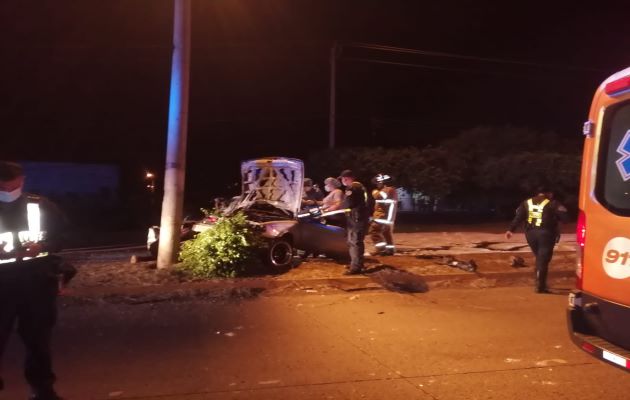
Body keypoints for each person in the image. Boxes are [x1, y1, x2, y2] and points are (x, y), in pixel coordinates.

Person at [0, 161, 69, 400]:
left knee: (39, 341)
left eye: (12, 183)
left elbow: (62, 237)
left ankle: (43, 391)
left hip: (36, 283)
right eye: (2, 185)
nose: (8, 190)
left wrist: (44, 246)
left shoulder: (41, 206)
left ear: (22, 180)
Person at [505, 186, 568, 293]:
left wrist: (511, 230)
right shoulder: (553, 203)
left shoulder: (526, 202)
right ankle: (540, 286)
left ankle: (540, 283)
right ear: (549, 193)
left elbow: (519, 216)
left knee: (539, 258)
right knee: (543, 259)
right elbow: (565, 217)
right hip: (546, 234)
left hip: (530, 234)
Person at [338, 170, 369, 275]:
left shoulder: (352, 188)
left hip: (356, 219)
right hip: (358, 218)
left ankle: (356, 267)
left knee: (354, 242)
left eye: (343, 178)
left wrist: (340, 207)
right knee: (354, 242)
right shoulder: (360, 187)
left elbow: (347, 203)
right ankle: (357, 263)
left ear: (348, 178)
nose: (343, 180)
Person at [368, 173, 398, 256]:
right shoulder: (392, 190)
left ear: (382, 182)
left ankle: (381, 250)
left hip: (382, 216)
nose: (377, 185)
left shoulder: (387, 190)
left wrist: (374, 192)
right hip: (388, 217)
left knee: (373, 231)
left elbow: (379, 196)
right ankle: (390, 250)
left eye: (377, 183)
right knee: (386, 233)